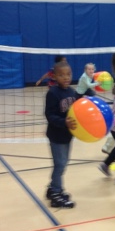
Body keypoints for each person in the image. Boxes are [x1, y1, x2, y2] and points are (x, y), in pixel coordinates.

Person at [44, 59, 78, 208]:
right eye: (62, 75)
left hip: (68, 135)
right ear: (55, 77)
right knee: (60, 164)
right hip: (56, 136)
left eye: (68, 74)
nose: (66, 77)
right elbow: (49, 115)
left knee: (64, 163)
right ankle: (57, 193)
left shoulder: (72, 92)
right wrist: (64, 122)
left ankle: (52, 188)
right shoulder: (53, 93)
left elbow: (79, 109)